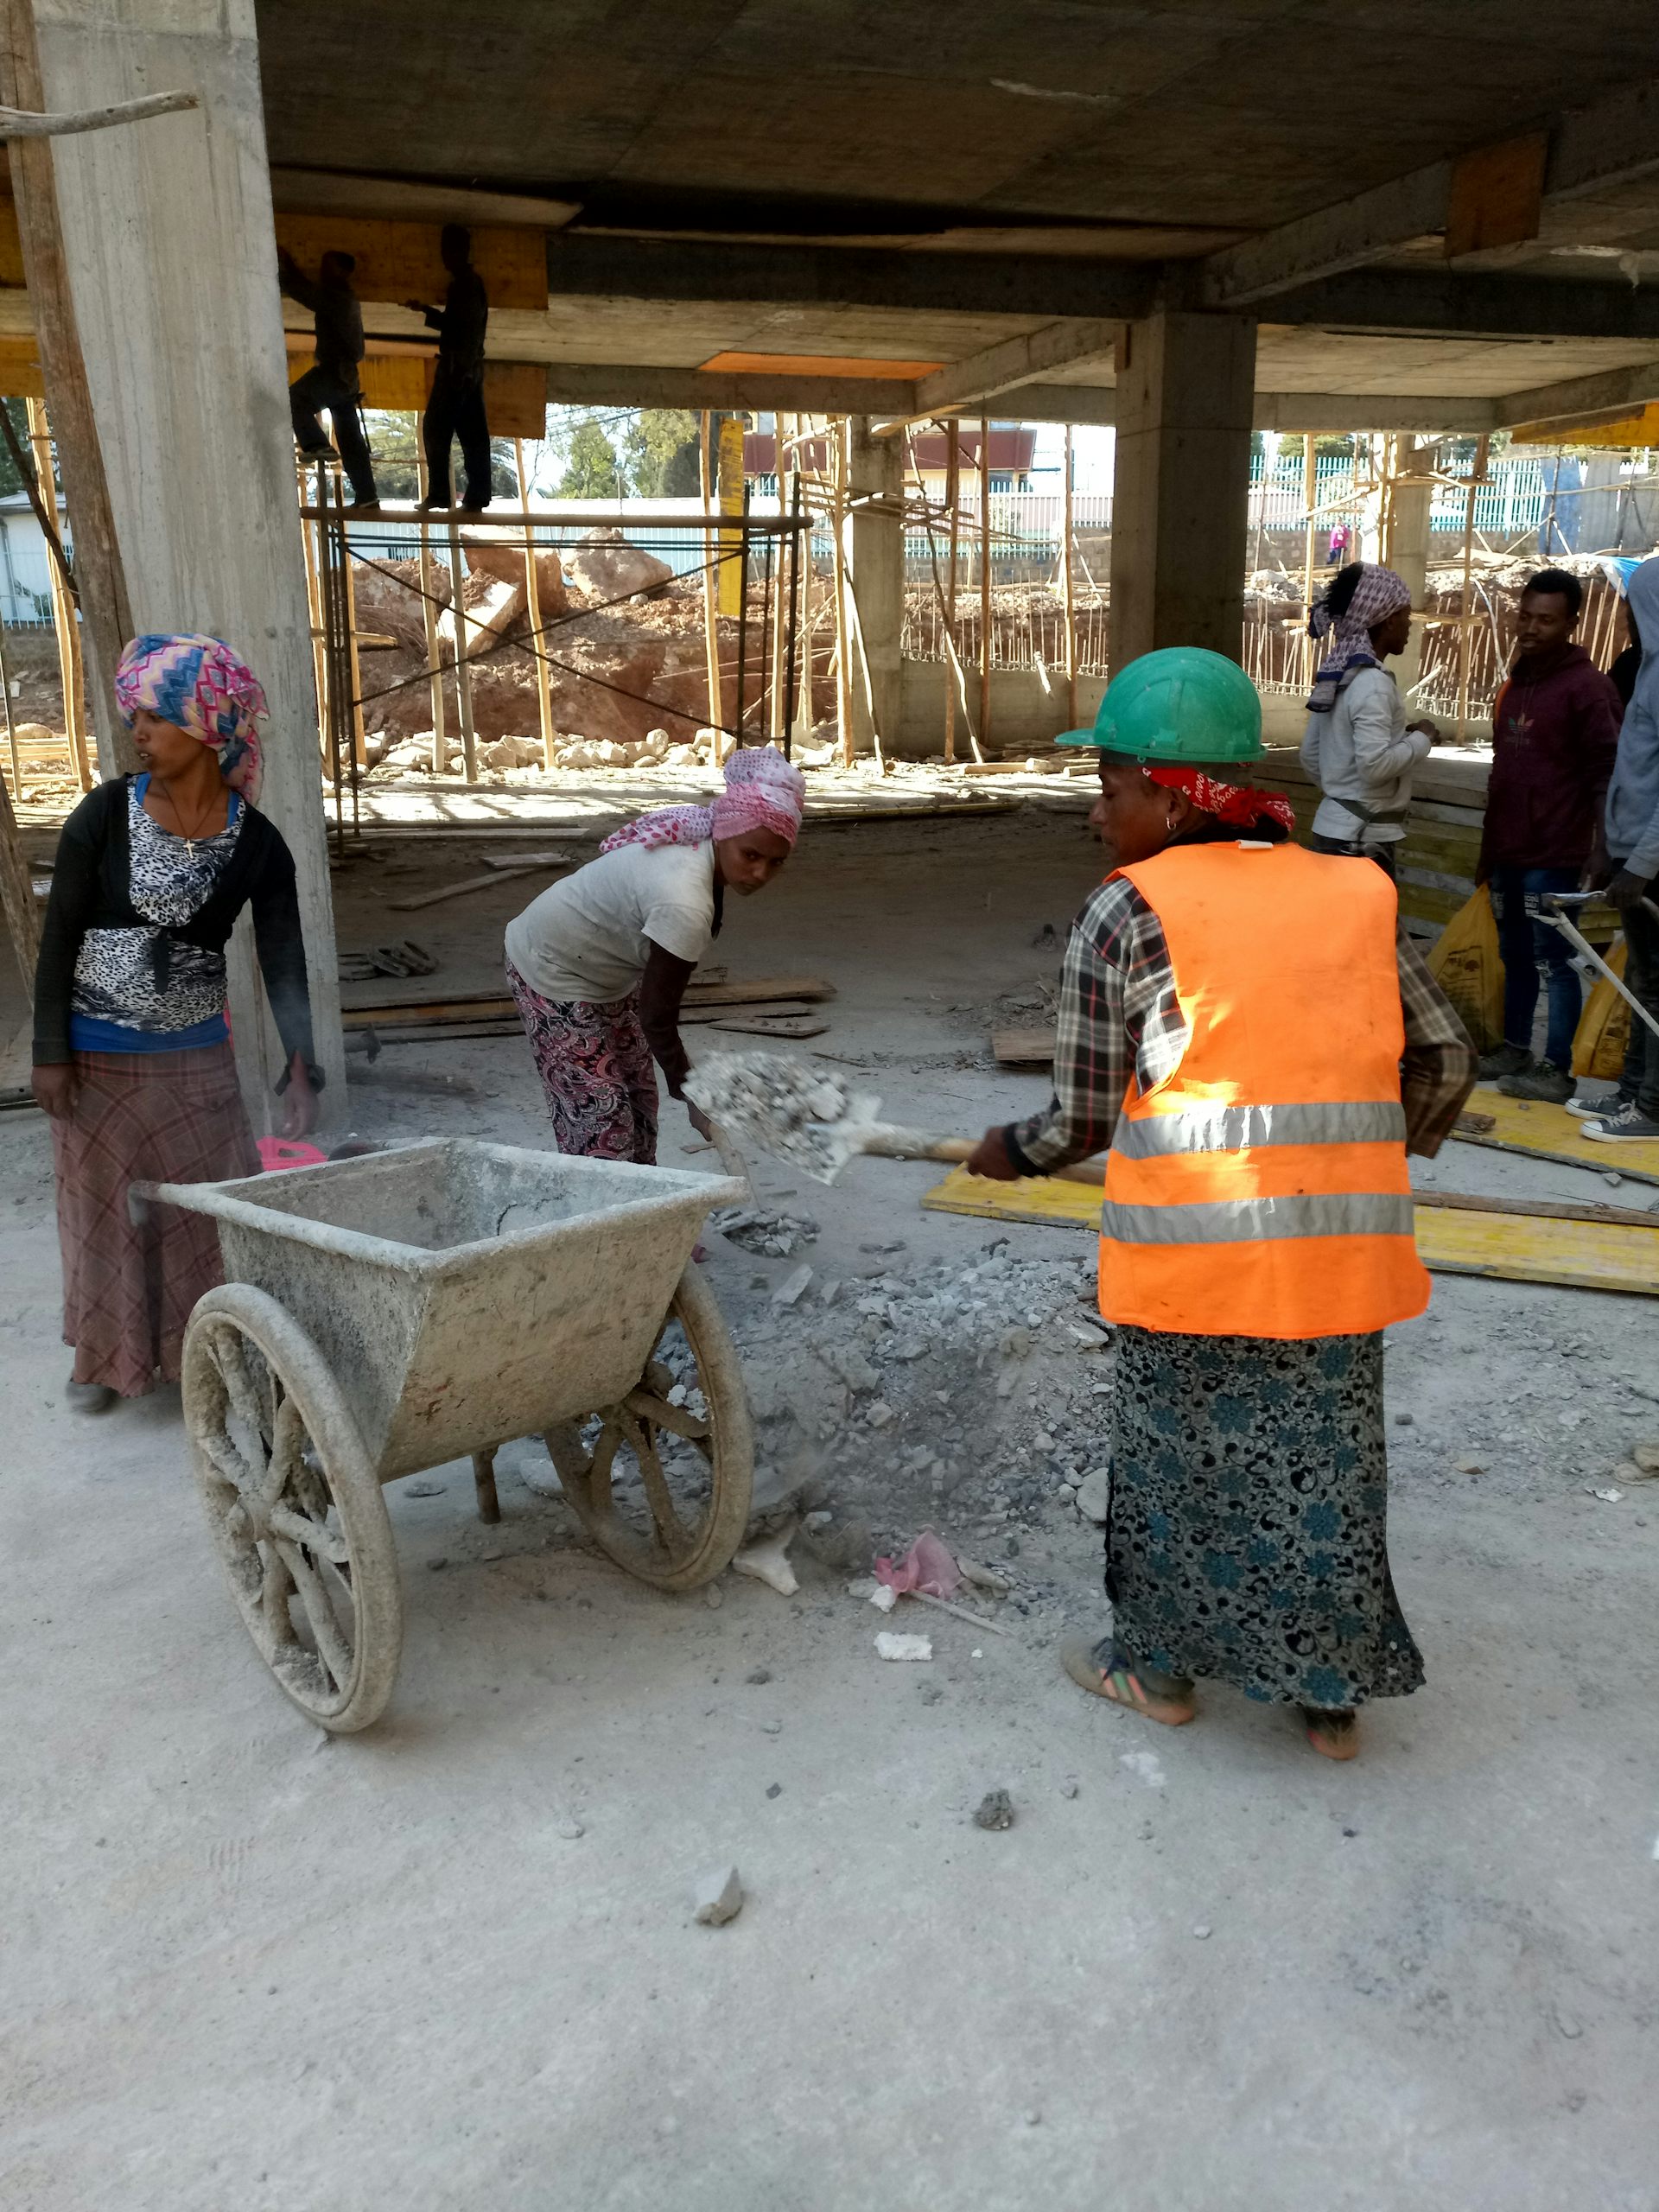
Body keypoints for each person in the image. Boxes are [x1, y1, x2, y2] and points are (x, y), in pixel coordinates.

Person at [966, 648, 1477, 1762]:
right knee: (1322, 1476)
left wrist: (1013, 1149)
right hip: (1340, 1271)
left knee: (1178, 1473)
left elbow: (1084, 1122)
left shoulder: (1126, 909)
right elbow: (1444, 1054)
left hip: (1194, 1271)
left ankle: (1159, 1674)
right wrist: (1365, 1155)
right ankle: (1328, 1698)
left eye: (1107, 789)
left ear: (1166, 789)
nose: (1098, 815)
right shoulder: (1356, 888)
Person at [31, 636, 321, 1413]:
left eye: (155, 717)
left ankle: (206, 1351)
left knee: (203, 1216)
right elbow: (59, 934)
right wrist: (50, 1051)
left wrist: (301, 1063)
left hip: (197, 1064)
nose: (140, 731)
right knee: (100, 1214)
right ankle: (102, 1361)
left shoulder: (256, 842)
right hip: (97, 1060)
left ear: (204, 725)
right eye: (138, 718)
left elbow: (282, 955)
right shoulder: (103, 814)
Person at [504, 747, 804, 1161]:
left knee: (638, 1094)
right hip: (549, 962)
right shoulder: (685, 901)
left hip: (602, 967)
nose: (760, 873)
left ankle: (642, 1202)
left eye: (775, 863)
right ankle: (600, 1218)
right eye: (750, 855)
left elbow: (656, 1011)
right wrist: (693, 1091)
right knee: (601, 1116)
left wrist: (687, 1088)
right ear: (725, 832)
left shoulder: (704, 850)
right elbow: (657, 1016)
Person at [1474, 569, 1623, 1104]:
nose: (1530, 628)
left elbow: (1608, 771)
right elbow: (1501, 771)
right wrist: (1489, 852)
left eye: (1546, 620)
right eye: (1525, 616)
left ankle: (1556, 1071)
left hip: (1556, 853)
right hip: (1511, 850)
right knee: (1515, 953)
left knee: (1552, 960)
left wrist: (1602, 847)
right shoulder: (1517, 683)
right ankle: (1516, 1049)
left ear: (1570, 624)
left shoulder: (1588, 688)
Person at [1582, 555, 1659, 1142]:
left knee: (1656, 987)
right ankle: (1633, 1091)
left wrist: (1641, 864)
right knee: (1641, 980)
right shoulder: (1650, 668)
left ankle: (1652, 1108)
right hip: (1634, 854)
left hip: (1651, 865)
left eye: (1634, 605)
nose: (1628, 617)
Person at [1300, 561, 1440, 875]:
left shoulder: (1337, 676)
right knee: (1369, 924)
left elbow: (1310, 755)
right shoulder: (1373, 683)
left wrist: (1343, 795)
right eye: (1405, 616)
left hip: (1333, 828)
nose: (1409, 625)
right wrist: (1423, 738)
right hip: (1362, 839)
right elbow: (1375, 766)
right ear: (1388, 621)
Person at [277, 246, 379, 509]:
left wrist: (287, 267)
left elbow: (305, 292)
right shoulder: (344, 298)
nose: (322, 271)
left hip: (334, 373)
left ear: (344, 272)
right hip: (346, 378)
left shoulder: (337, 298)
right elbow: (311, 292)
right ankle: (367, 496)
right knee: (350, 438)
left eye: (328, 266)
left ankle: (316, 444)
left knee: (294, 399)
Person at [406, 225, 491, 512]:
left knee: (436, 430)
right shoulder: (469, 283)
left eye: (446, 251)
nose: (444, 258)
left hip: (458, 368)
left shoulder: (464, 285)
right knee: (472, 435)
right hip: (468, 368)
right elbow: (460, 326)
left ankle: (442, 494)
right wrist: (426, 312)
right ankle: (477, 496)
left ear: (456, 253)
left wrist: (460, 370)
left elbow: (463, 331)